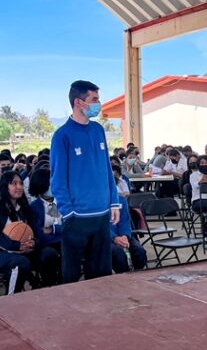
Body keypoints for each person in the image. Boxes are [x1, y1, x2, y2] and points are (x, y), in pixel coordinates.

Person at [50, 80, 120, 283]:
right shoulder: (62, 136)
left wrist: (113, 201)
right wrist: (69, 213)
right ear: (79, 102)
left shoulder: (98, 130)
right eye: (95, 99)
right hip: (77, 217)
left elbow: (107, 168)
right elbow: (58, 179)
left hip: (102, 216)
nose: (99, 103)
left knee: (101, 275)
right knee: (72, 276)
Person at [111, 194, 147, 273]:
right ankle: (124, 278)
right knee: (118, 254)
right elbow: (99, 225)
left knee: (140, 252)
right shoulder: (96, 202)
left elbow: (125, 222)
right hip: (104, 237)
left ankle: (137, 275)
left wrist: (125, 236)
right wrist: (114, 237)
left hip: (123, 235)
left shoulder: (121, 199)